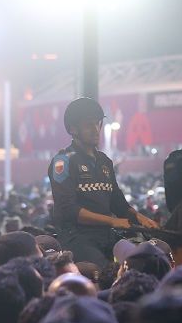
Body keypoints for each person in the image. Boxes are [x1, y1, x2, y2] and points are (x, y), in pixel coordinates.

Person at [48, 98, 159, 266]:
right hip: (76, 238)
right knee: (106, 270)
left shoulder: (105, 161)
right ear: (73, 129)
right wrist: (113, 221)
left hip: (107, 235)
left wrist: (142, 219)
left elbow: (118, 203)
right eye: (88, 125)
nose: (95, 130)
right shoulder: (62, 162)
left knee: (144, 262)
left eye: (97, 124)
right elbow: (68, 209)